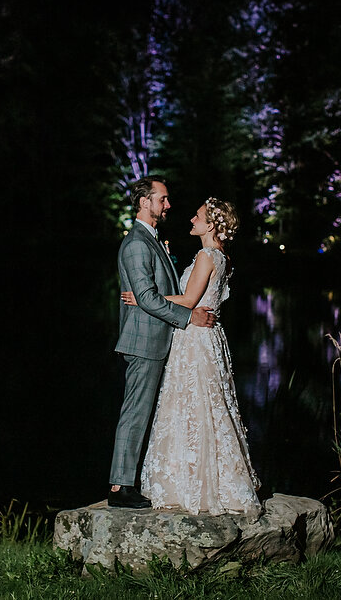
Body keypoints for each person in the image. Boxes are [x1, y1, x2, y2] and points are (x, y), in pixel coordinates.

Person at [122, 197, 262, 519]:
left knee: (192, 405)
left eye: (197, 216)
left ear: (211, 225)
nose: (192, 219)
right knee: (208, 406)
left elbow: (188, 299)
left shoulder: (205, 255)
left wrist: (143, 300)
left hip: (195, 340)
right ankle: (206, 478)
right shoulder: (221, 256)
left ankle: (193, 484)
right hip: (208, 337)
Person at [108, 176, 217, 509]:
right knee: (135, 413)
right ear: (145, 202)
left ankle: (135, 482)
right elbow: (145, 297)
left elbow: (152, 294)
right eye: (163, 199)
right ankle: (119, 488)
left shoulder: (153, 240)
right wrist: (189, 318)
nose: (168, 205)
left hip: (159, 339)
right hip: (143, 341)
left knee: (147, 413)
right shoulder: (137, 243)